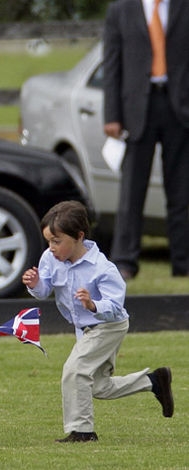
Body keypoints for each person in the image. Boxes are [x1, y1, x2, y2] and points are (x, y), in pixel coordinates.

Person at [22, 200, 173, 443]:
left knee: (75, 370)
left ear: (79, 236)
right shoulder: (50, 258)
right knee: (97, 386)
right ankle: (153, 381)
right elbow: (43, 290)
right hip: (85, 329)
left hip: (109, 326)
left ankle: (83, 432)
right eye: (49, 241)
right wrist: (35, 283)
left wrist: (93, 305)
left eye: (56, 241)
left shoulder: (103, 268)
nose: (51, 247)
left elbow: (115, 308)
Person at [103, 0, 189, 280]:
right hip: (136, 110)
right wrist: (112, 115)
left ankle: (183, 262)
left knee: (181, 191)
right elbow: (112, 64)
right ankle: (125, 261)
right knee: (132, 191)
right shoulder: (121, 10)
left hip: (178, 108)